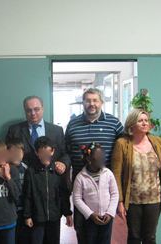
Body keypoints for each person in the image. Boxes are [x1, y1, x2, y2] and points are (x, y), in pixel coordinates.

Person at [64, 88, 124, 244]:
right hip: (81, 186)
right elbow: (66, 151)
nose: (91, 104)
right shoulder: (73, 124)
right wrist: (67, 179)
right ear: (83, 103)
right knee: (83, 233)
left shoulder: (114, 123)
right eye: (88, 100)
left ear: (101, 103)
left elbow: (125, 149)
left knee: (103, 234)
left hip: (105, 188)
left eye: (95, 100)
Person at [111, 109, 161, 244]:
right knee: (134, 237)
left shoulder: (157, 142)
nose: (144, 123)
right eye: (140, 121)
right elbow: (116, 175)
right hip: (132, 200)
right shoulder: (122, 144)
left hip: (154, 199)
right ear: (132, 124)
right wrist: (120, 202)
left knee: (150, 237)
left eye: (146, 120)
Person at [24, 136, 73, 244]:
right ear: (37, 153)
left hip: (54, 217)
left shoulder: (58, 172)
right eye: (42, 153)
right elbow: (27, 195)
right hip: (37, 217)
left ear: (52, 152)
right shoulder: (31, 172)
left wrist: (67, 213)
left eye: (48, 152)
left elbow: (63, 194)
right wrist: (27, 216)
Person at [6, 95, 70, 175]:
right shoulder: (14, 130)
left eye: (36, 109)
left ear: (42, 109)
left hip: (51, 176)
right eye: (29, 110)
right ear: (25, 111)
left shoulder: (57, 131)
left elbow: (65, 153)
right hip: (24, 178)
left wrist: (63, 163)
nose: (33, 113)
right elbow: (7, 154)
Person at [73, 142, 119, 244]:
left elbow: (115, 193)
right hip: (90, 219)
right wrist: (90, 214)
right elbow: (77, 199)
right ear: (88, 159)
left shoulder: (108, 174)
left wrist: (110, 212)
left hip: (106, 218)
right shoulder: (81, 177)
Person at [6, 138, 29, 244]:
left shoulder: (27, 170)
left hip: (23, 210)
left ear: (23, 154)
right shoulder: (3, 169)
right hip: (9, 210)